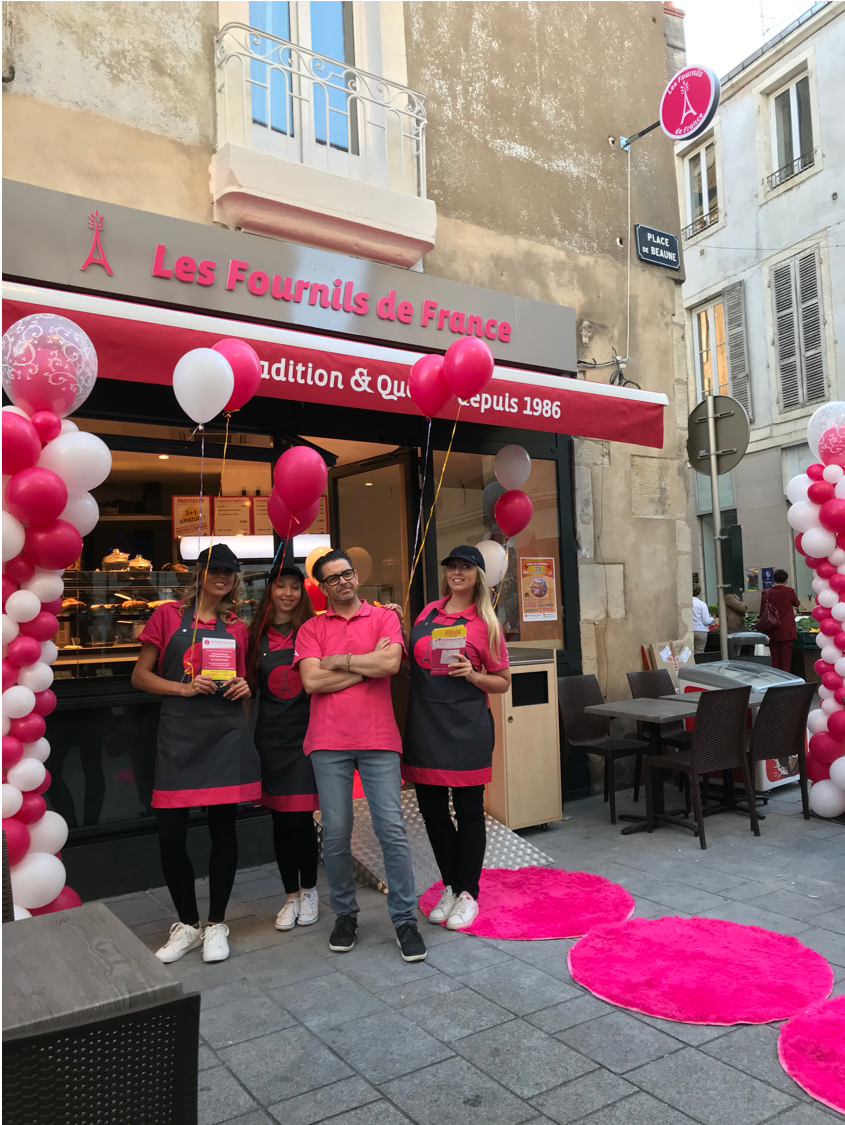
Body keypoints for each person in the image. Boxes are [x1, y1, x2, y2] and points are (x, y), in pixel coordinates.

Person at [294, 548, 426, 963]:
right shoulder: (311, 628)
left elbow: (390, 664)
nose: (343, 582)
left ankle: (404, 919)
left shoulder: (384, 617)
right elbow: (312, 682)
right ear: (323, 586)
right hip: (327, 741)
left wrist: (341, 661)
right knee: (335, 833)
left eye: (347, 573)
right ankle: (345, 915)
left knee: (392, 830)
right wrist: (364, 669)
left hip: (378, 738)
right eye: (333, 578)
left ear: (356, 575)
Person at [131, 544, 260, 965]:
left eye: (229, 571)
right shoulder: (167, 616)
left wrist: (245, 687)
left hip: (224, 736)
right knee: (171, 836)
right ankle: (187, 923)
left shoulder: (237, 627)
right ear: (199, 574)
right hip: (179, 737)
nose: (222, 577)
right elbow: (140, 676)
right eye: (214, 569)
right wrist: (183, 688)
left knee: (224, 831)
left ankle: (216, 924)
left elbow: (242, 682)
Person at [402, 545, 511, 930]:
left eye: (465, 567)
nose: (457, 572)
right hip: (425, 725)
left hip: (467, 729)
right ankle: (450, 885)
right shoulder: (427, 613)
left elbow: (502, 682)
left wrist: (472, 674)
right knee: (432, 813)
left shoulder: (486, 623)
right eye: (451, 566)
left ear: (478, 574)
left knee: (468, 813)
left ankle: (468, 893)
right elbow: (412, 663)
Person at [247, 565, 320, 932]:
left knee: (300, 820)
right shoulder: (254, 636)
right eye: (281, 587)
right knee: (278, 820)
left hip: (305, 737)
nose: (288, 594)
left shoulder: (312, 630)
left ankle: (310, 891)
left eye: (295, 587)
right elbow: (248, 689)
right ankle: (290, 895)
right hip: (270, 739)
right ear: (270, 592)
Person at [760, 569, 800, 672]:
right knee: (786, 660)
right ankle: (786, 680)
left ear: (774, 579)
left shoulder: (766, 593)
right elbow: (797, 603)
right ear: (786, 580)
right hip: (786, 631)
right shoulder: (789, 591)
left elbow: (761, 613)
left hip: (772, 630)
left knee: (774, 659)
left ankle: (777, 679)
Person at [692, 583, 714, 654]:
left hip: (689, 631)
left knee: (688, 654)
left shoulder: (686, 604)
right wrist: (712, 619)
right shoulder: (702, 604)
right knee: (699, 652)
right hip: (701, 631)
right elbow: (706, 621)